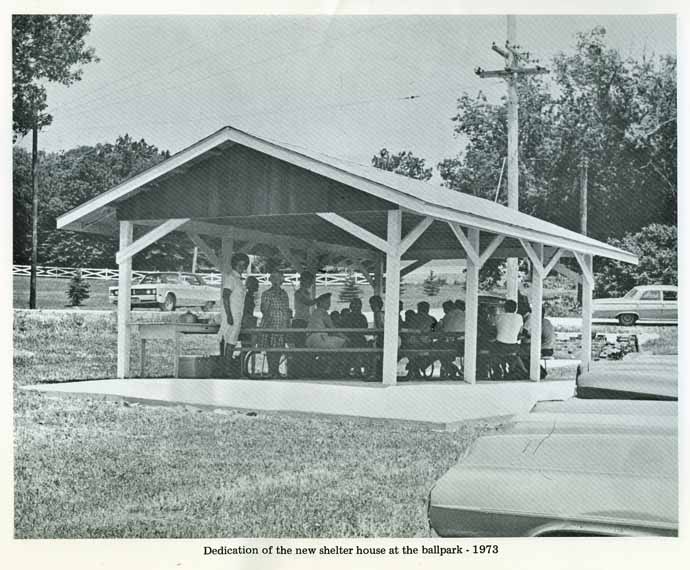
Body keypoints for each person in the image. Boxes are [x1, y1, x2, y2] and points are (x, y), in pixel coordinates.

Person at [218, 253, 249, 365]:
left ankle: (227, 366)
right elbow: (225, 296)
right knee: (228, 341)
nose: (241, 267)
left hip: (237, 315)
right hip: (231, 315)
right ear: (234, 265)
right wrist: (229, 315)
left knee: (232, 341)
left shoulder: (238, 279)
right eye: (239, 264)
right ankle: (225, 367)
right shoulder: (231, 278)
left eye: (244, 265)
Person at [260, 270, 291, 378]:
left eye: (280, 279)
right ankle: (271, 371)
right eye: (276, 279)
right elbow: (264, 309)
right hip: (271, 324)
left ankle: (276, 370)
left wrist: (287, 321)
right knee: (270, 349)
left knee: (279, 348)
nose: (278, 282)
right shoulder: (267, 294)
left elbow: (287, 309)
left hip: (282, 324)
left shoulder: (284, 294)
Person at [494, 299, 528, 377]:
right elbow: (520, 332)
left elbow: (495, 328)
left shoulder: (499, 316)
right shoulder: (519, 317)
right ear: (515, 308)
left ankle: (498, 371)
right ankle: (511, 371)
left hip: (500, 345)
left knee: (493, 351)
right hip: (513, 346)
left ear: (504, 308)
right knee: (513, 355)